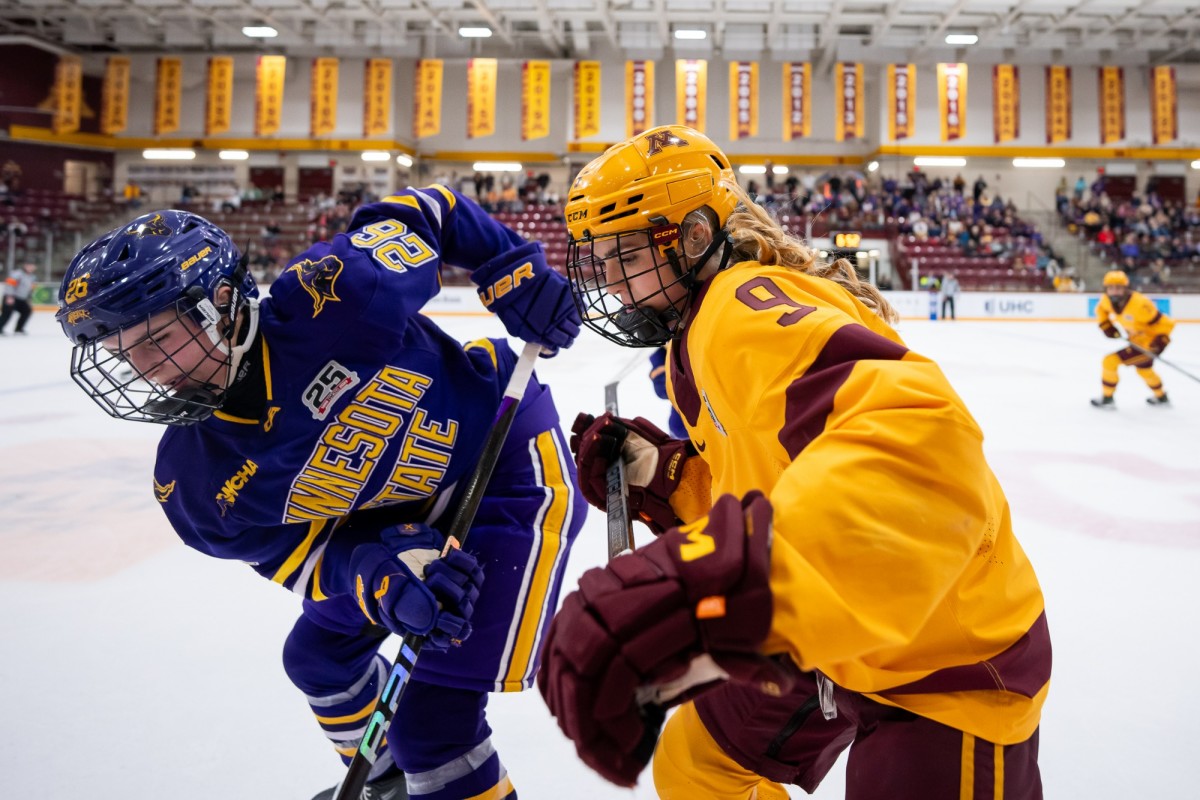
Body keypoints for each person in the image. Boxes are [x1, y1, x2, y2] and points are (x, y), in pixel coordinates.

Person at [539, 125, 1050, 799]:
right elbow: (773, 481)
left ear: (693, 237)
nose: (606, 276)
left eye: (625, 252)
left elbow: (918, 439)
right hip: (835, 633)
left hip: (937, 662)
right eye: (598, 256)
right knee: (697, 766)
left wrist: (726, 582)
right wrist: (663, 476)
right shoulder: (693, 332)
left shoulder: (736, 311)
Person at [56, 193, 587, 800]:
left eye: (155, 339)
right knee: (317, 657)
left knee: (431, 724)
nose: (146, 369)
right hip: (396, 517)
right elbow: (301, 556)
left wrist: (509, 269)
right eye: (123, 353)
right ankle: (388, 785)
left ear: (220, 303)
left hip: (500, 472)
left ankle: (427, 773)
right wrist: (375, 569)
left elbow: (428, 211)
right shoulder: (193, 481)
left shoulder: (335, 298)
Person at [1090, 269, 1174, 409]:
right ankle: (1161, 396)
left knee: (1110, 361)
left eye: (1118, 288)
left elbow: (1165, 323)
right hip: (1135, 341)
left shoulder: (1140, 304)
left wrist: (1161, 340)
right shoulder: (1106, 300)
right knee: (1144, 370)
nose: (1114, 291)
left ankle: (1107, 397)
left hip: (1149, 345)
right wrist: (1106, 325)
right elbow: (1101, 311)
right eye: (1111, 288)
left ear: (1126, 288)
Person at [0, 261, 37, 335]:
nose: (30, 267)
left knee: (27, 311)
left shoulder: (32, 277)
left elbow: (30, 289)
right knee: (6, 314)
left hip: (21, 299)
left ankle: (18, 329)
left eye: (31, 266)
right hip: (11, 297)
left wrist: (28, 299)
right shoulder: (17, 274)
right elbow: (9, 285)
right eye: (28, 265)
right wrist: (9, 296)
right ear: (25, 266)